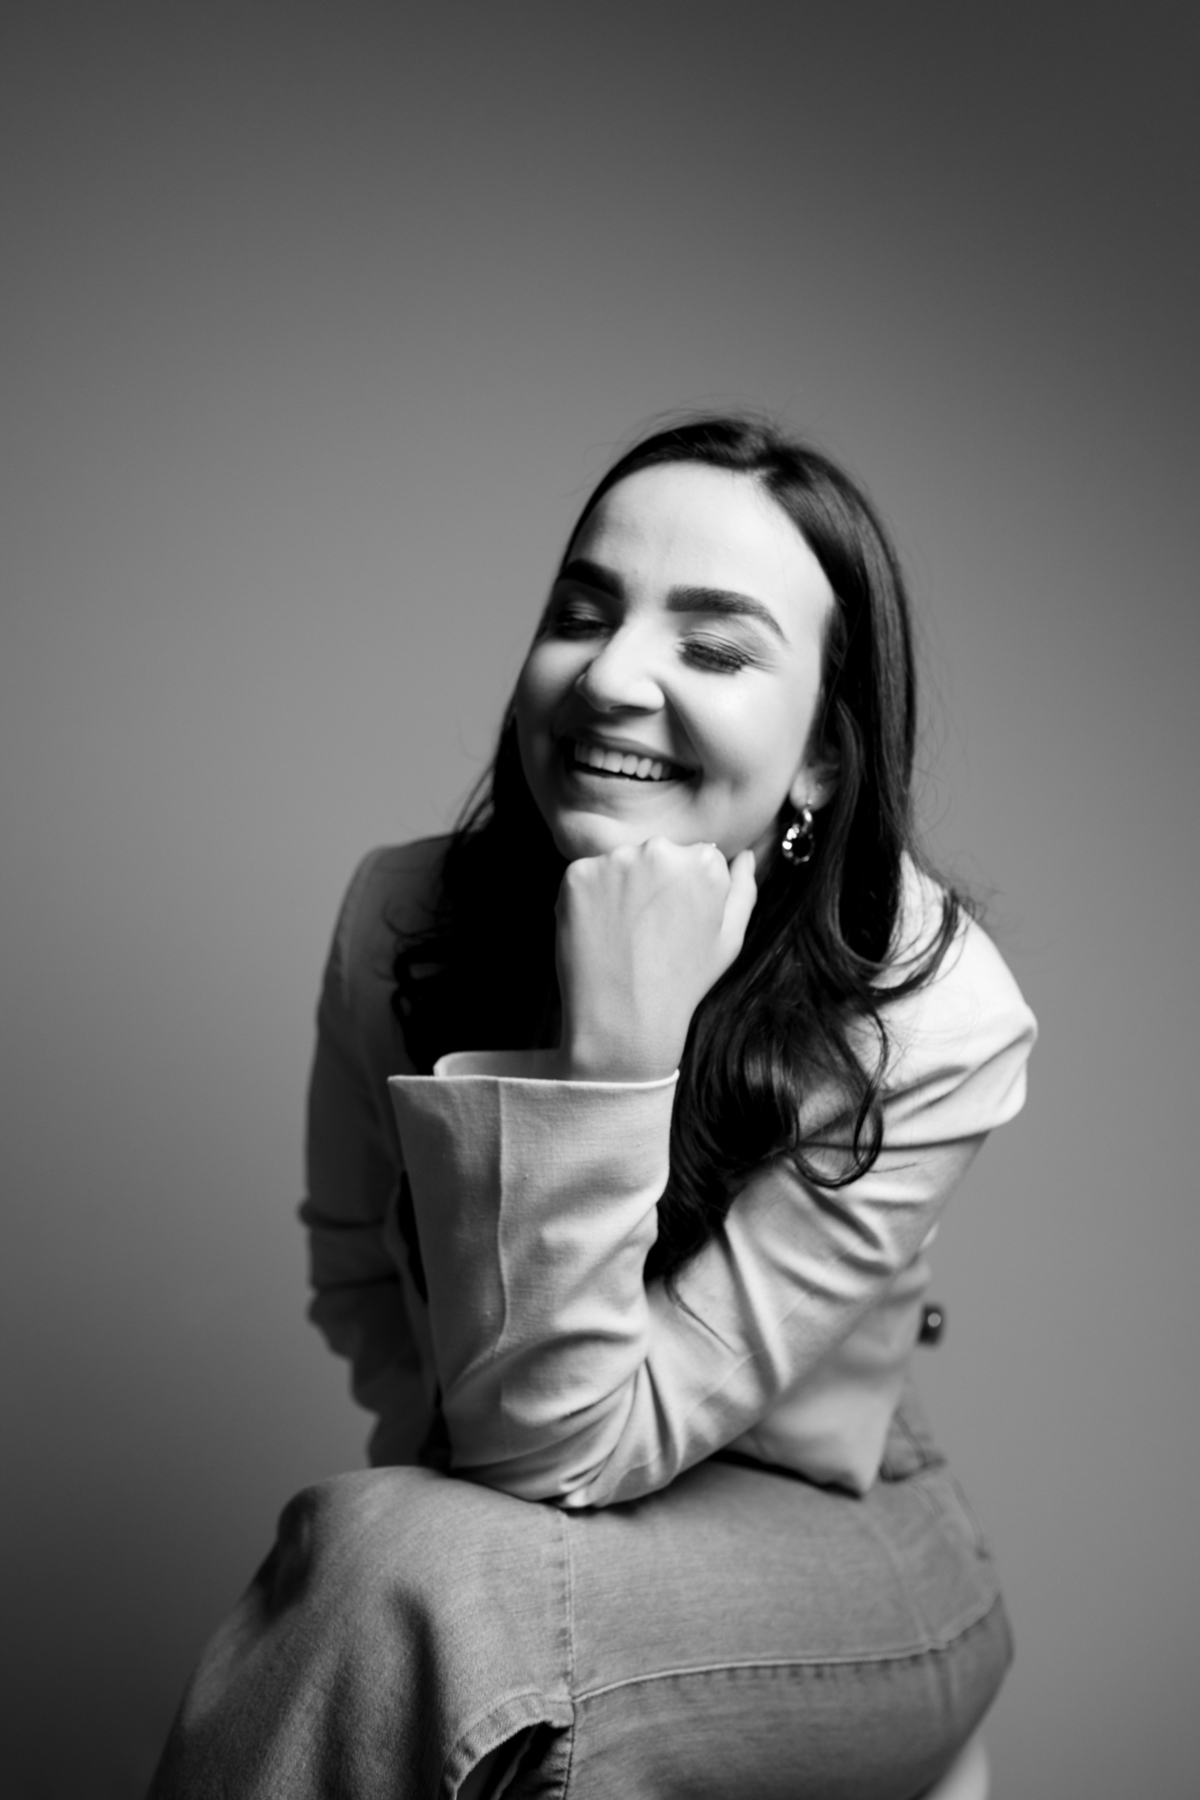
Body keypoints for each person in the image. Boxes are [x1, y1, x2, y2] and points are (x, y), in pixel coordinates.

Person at [149, 415, 1036, 1799]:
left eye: (715, 647)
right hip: (519, 1536)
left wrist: (618, 1053)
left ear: (821, 757)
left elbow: (569, 1450)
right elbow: (360, 1278)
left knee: (399, 1569)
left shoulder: (932, 1013)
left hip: (846, 1539)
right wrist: (476, 1482)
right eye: (581, 614)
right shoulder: (402, 918)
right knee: (408, 1566)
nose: (613, 677)